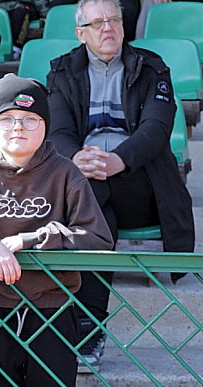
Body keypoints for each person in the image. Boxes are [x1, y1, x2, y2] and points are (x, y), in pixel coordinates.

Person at [0, 74, 114, 386]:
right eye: (7, 119)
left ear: (45, 124)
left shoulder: (65, 172)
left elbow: (98, 237)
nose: (18, 127)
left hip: (53, 311)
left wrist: (31, 240)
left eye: (30, 119)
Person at [46, 0, 195, 372]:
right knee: (91, 196)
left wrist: (120, 159)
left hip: (140, 180)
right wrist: (76, 156)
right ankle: (86, 326)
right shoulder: (62, 70)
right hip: (86, 178)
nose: (108, 28)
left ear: (124, 26)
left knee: (90, 199)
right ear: (81, 34)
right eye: (97, 23)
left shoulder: (152, 67)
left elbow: (157, 129)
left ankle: (86, 327)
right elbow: (59, 128)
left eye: (113, 20)